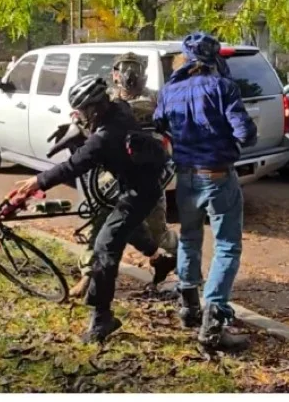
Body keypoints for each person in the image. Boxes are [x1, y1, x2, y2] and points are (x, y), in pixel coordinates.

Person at [14, 76, 168, 343]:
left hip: (139, 193)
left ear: (95, 108)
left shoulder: (105, 137)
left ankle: (101, 318)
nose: (79, 115)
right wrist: (75, 128)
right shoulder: (119, 108)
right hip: (135, 184)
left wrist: (37, 181)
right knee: (121, 227)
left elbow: (73, 166)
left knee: (105, 248)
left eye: (82, 110)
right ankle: (161, 259)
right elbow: (92, 138)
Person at [154, 32, 257, 351]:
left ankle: (189, 308)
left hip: (185, 177)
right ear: (214, 59)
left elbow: (159, 124)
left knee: (189, 238)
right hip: (218, 176)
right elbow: (245, 132)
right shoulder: (222, 87)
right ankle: (213, 325)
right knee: (227, 245)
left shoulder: (170, 89)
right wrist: (234, 138)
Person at [67, 52, 178, 299]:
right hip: (110, 176)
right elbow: (86, 124)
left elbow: (166, 126)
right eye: (124, 68)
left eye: (134, 67)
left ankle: (185, 270)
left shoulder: (155, 98)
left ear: (143, 71)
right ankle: (88, 276)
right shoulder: (107, 100)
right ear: (114, 74)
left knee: (156, 229)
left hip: (147, 174)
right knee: (100, 221)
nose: (129, 73)